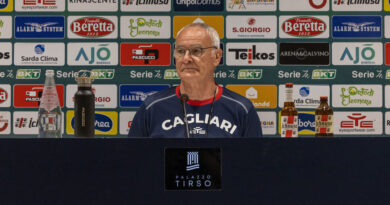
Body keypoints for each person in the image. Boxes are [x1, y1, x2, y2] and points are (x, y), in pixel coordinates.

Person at [128, 23, 263, 138]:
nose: (186, 59)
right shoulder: (152, 107)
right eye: (180, 51)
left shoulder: (241, 109)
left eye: (196, 51)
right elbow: (133, 163)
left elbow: (255, 166)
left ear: (217, 56)